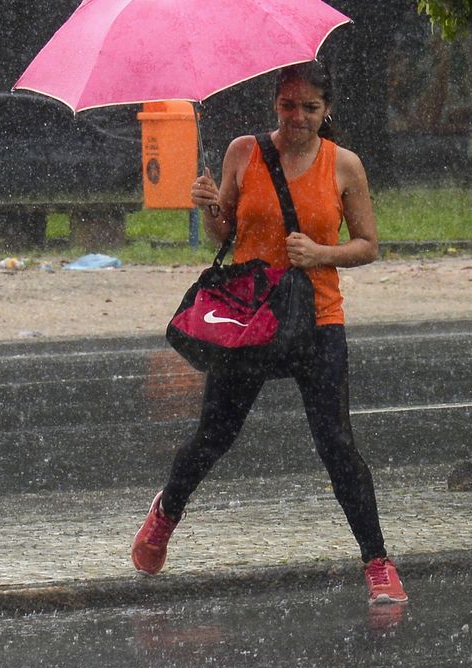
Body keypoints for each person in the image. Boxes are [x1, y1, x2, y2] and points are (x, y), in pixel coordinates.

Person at [131, 62, 407, 606]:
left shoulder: (344, 165)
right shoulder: (243, 152)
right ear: (275, 105)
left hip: (316, 319)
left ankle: (377, 561)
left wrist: (322, 254)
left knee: (336, 446)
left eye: (310, 107)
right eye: (289, 105)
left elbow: (369, 244)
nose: (299, 117)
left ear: (327, 110)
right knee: (215, 435)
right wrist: (210, 208)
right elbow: (225, 233)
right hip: (250, 318)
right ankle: (166, 511)